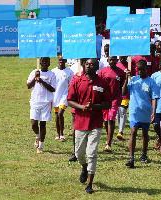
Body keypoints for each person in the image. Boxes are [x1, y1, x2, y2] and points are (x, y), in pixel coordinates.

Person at [67, 58, 112, 194]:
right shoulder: (77, 81)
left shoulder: (103, 83)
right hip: (80, 122)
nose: (88, 66)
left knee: (91, 153)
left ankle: (89, 184)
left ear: (97, 66)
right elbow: (69, 100)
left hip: (95, 123)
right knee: (79, 153)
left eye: (91, 64)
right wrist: (82, 107)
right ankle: (84, 167)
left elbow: (108, 104)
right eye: (86, 64)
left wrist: (94, 106)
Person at [123, 60, 158, 167]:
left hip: (146, 112)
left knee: (144, 134)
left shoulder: (151, 82)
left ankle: (144, 154)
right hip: (134, 112)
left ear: (146, 69)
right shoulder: (133, 80)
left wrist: (154, 111)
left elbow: (154, 98)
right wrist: (126, 79)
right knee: (133, 132)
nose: (139, 71)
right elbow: (124, 92)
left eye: (141, 69)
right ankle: (131, 158)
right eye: (138, 69)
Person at [26, 57, 56, 154]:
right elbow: (28, 86)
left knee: (43, 124)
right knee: (34, 124)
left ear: (49, 63)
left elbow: (53, 89)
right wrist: (35, 78)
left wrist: (42, 81)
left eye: (47, 62)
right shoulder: (34, 72)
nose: (44, 63)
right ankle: (38, 136)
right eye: (43, 62)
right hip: (35, 101)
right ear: (40, 62)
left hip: (46, 102)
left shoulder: (52, 74)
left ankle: (40, 146)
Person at [98, 56, 125, 152]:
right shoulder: (103, 71)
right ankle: (109, 137)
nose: (112, 61)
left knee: (111, 118)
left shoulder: (121, 72)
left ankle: (108, 143)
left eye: (114, 59)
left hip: (115, 99)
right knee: (105, 119)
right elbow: (99, 84)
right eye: (111, 59)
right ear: (108, 61)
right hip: (105, 99)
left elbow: (122, 85)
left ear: (117, 61)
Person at [68, 58, 88, 162]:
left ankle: (85, 151)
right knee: (76, 131)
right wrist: (76, 80)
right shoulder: (76, 76)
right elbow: (70, 89)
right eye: (84, 64)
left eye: (88, 64)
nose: (87, 66)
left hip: (89, 110)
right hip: (77, 110)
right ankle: (75, 152)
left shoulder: (93, 77)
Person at [52, 55, 74, 142]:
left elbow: (71, 83)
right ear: (58, 61)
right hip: (55, 96)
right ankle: (58, 134)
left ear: (66, 61)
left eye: (63, 60)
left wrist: (68, 92)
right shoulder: (53, 71)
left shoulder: (69, 72)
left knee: (61, 113)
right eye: (60, 60)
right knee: (57, 115)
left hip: (64, 96)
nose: (61, 61)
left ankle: (62, 134)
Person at [116, 56, 136, 140]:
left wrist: (129, 76)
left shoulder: (130, 66)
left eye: (123, 57)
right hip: (116, 93)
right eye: (120, 57)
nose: (122, 59)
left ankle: (120, 131)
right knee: (117, 113)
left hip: (126, 93)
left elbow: (134, 78)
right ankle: (119, 127)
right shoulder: (116, 65)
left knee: (123, 111)